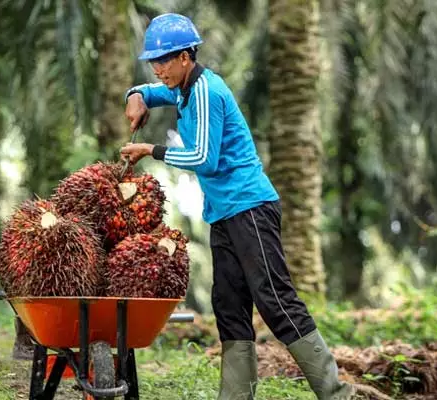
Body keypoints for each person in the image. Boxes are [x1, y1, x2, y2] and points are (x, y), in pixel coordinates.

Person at [120, 13, 355, 400]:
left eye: (165, 60)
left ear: (186, 56)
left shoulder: (206, 91)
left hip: (250, 207)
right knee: (228, 306)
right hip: (224, 215)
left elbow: (205, 158)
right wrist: (136, 97)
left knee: (276, 301)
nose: (158, 69)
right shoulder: (179, 87)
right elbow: (143, 89)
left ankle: (338, 394)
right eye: (154, 61)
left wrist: (150, 149)